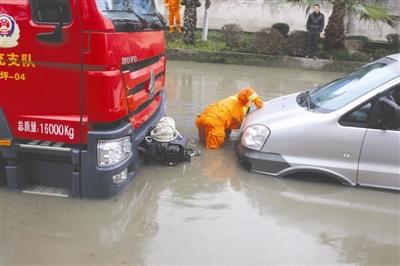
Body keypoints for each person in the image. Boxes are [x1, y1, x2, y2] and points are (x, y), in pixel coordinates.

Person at [195, 87, 264, 149]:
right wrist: (257, 101)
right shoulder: (242, 103)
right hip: (215, 122)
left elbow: (228, 127)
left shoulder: (233, 100)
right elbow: (248, 90)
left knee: (202, 143)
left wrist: (227, 137)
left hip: (203, 117)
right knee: (213, 151)